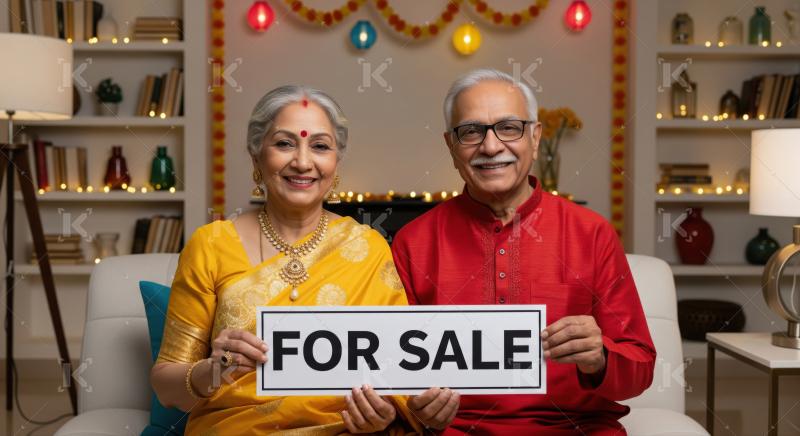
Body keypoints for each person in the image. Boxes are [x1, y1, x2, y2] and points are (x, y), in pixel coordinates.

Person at [150, 85, 457, 434]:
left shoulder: (366, 247)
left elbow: (398, 376)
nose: (302, 161)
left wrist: (384, 412)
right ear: (256, 155)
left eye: (320, 146)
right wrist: (213, 369)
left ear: (336, 161)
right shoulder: (210, 245)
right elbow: (166, 387)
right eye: (284, 143)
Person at [391, 69, 656, 435]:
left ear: (535, 138)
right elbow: (393, 371)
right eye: (471, 131)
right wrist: (415, 405)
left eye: (509, 127)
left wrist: (600, 358)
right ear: (451, 148)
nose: (490, 146)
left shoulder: (592, 234)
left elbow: (640, 370)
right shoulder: (413, 241)